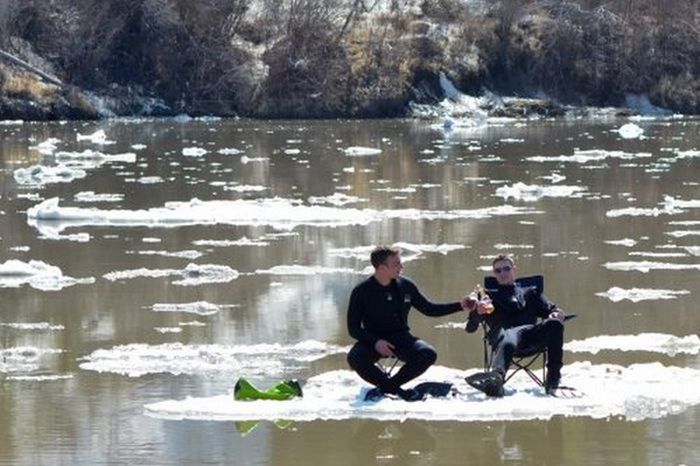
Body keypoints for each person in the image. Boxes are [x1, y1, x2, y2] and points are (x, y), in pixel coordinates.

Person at [347, 246, 472, 402]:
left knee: (428, 354)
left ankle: (389, 386)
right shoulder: (361, 291)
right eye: (396, 264)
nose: (401, 267)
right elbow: (353, 329)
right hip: (373, 340)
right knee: (355, 358)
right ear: (381, 268)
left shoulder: (405, 286)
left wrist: (460, 305)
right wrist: (376, 342)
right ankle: (399, 390)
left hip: (401, 337)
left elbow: (429, 309)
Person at [465, 253, 566, 397]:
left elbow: (553, 310)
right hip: (502, 338)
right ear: (494, 274)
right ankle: (496, 379)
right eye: (498, 271)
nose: (503, 273)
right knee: (509, 337)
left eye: (506, 269)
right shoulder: (486, 296)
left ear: (514, 270)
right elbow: (470, 328)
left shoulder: (531, 292)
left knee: (555, 324)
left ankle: (553, 380)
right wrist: (477, 312)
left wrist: (557, 313)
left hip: (530, 337)